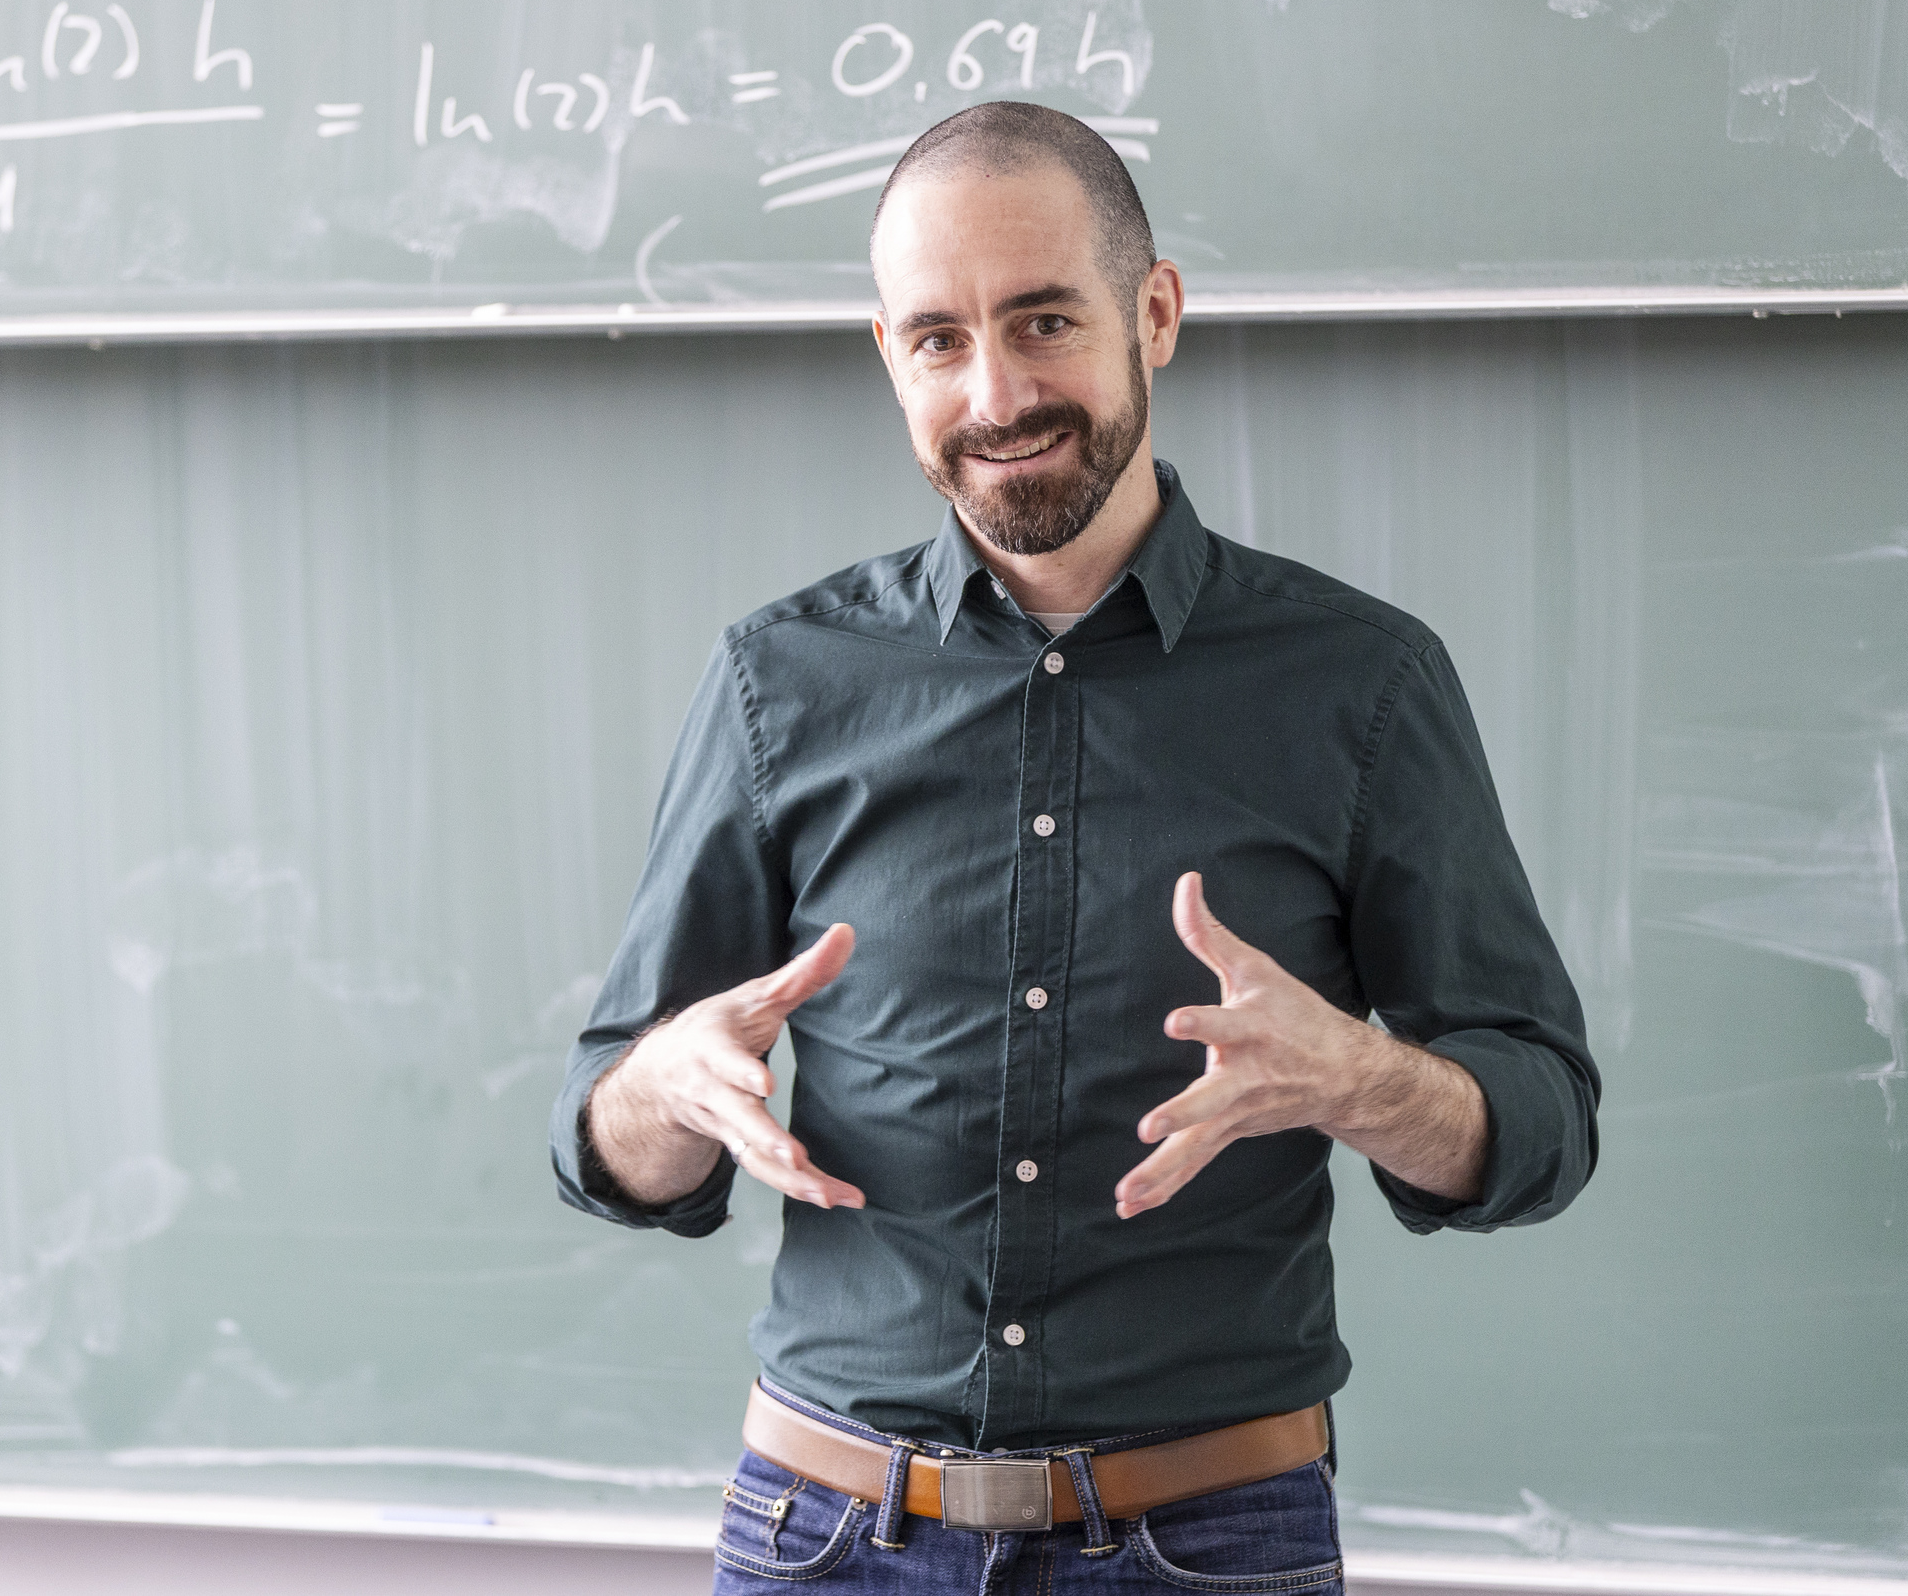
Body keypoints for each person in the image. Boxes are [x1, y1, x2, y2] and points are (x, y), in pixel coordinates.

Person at [549, 100, 1600, 1594]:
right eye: (938, 340)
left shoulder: (1361, 687)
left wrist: (1365, 1081)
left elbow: (1543, 1123)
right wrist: (662, 1088)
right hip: (822, 1538)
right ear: (889, 356)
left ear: (1153, 313)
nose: (995, 391)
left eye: (1044, 320)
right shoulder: (778, 684)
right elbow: (601, 1142)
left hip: (1208, 1542)